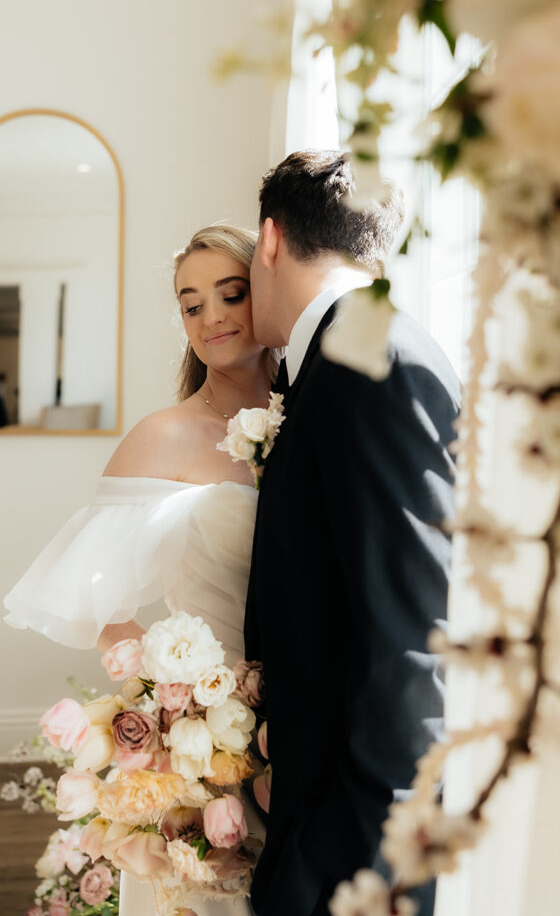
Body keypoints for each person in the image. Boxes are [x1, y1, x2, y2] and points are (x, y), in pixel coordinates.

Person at [3, 224, 274, 916]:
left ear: (264, 294)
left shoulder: (310, 417)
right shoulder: (165, 434)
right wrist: (171, 707)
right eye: (191, 305)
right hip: (213, 734)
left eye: (230, 293)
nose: (211, 317)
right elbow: (94, 603)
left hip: (312, 711)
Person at [245, 150, 460, 916]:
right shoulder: (343, 355)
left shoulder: (373, 362)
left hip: (352, 854)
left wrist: (347, 861)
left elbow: (411, 635)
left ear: (269, 239)